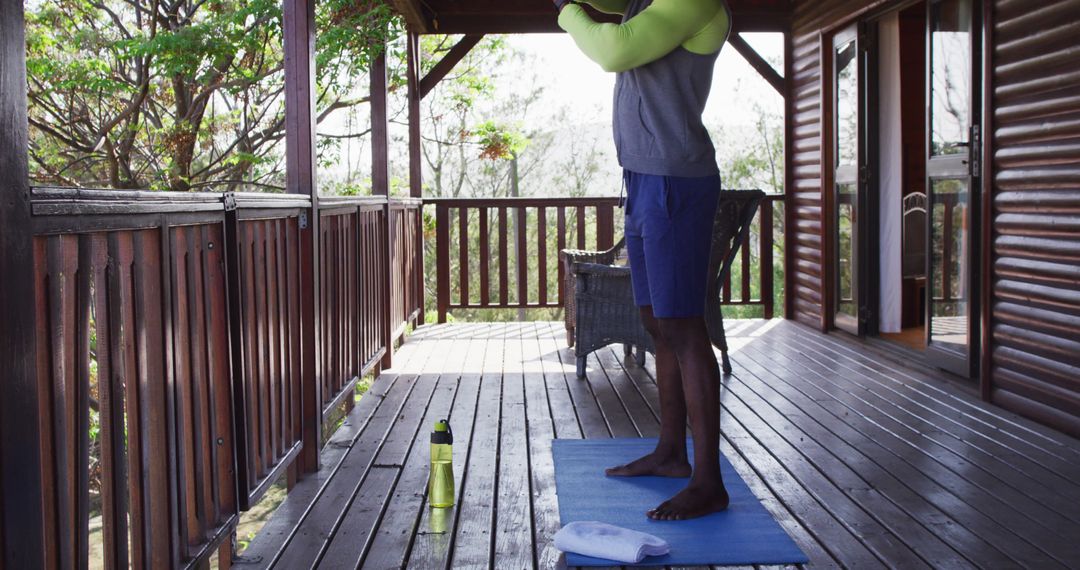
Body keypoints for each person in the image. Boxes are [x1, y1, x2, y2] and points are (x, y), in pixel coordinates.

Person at [554, 0, 733, 521]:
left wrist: (568, 12)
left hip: (676, 178)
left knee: (683, 325)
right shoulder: (643, 1)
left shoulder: (693, 1)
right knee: (657, 322)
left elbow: (615, 49)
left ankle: (709, 482)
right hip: (641, 176)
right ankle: (671, 453)